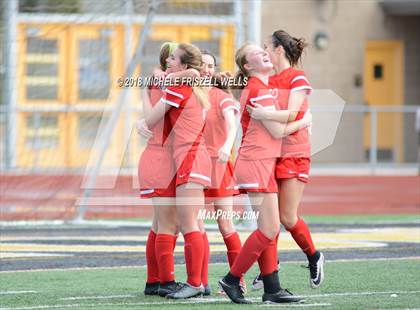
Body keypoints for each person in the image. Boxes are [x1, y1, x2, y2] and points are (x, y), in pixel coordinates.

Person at [218, 43, 312, 304]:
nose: (263, 52)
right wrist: (304, 121)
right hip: (256, 161)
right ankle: (231, 279)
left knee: (268, 229)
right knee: (269, 229)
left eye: (263, 49)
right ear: (248, 66)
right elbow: (277, 132)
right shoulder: (258, 89)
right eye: (256, 52)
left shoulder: (260, 88)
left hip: (261, 162)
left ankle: (271, 289)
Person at [248, 30, 324, 290]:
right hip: (272, 152)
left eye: (267, 46)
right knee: (269, 219)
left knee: (287, 216)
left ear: (279, 49)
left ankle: (314, 255)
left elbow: (292, 113)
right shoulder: (268, 78)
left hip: (294, 151)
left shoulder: (297, 77)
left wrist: (264, 113)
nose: (264, 51)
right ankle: (271, 267)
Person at [143, 43, 212, 299]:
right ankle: (198, 282)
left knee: (186, 223)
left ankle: (195, 283)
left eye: (173, 58)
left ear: (183, 65)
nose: (168, 61)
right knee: (189, 223)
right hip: (188, 158)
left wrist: (142, 120)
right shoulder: (188, 85)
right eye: (168, 57)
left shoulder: (179, 86)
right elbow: (192, 74)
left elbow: (150, 119)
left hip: (190, 158)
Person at [138, 42, 181, 297]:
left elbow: (149, 116)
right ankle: (166, 281)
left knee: (159, 224)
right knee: (168, 224)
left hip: (159, 159)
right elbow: (152, 118)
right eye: (175, 59)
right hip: (161, 160)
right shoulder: (166, 85)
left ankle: (153, 281)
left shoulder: (158, 83)